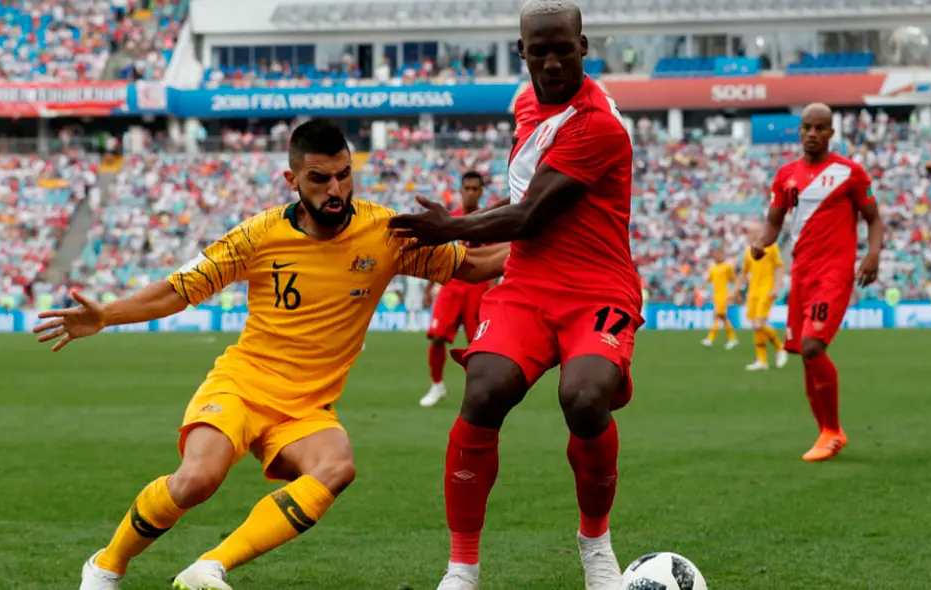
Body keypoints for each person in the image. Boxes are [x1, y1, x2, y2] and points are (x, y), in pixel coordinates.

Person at [34, 119, 509, 590]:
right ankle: (105, 566)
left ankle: (210, 566)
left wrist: (540, 239)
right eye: (320, 178)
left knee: (337, 467)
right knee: (197, 479)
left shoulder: (385, 233)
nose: (336, 189)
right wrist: (107, 314)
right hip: (242, 386)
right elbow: (179, 289)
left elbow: (471, 265)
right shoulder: (258, 235)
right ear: (292, 179)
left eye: (344, 174)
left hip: (307, 407)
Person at [389, 1, 638, 588]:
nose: (552, 63)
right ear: (521, 51)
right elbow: (525, 196)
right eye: (540, 51)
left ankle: (596, 544)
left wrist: (453, 227)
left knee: (584, 398)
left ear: (584, 47)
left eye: (564, 49)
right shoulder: (527, 104)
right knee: (483, 390)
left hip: (597, 287)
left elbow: (529, 214)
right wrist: (473, 231)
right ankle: (462, 568)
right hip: (528, 283)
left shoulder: (597, 125)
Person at [752, 102, 883, 462]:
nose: (812, 134)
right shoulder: (786, 175)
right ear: (800, 131)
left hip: (834, 274)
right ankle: (826, 431)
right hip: (802, 274)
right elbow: (774, 221)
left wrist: (873, 254)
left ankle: (833, 431)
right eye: (807, 127)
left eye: (819, 128)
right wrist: (762, 243)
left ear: (831, 133)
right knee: (805, 356)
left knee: (813, 345)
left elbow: (873, 218)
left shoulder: (849, 173)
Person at [420, 171, 490, 408]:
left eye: (475, 189)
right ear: (460, 190)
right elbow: (439, 255)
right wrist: (429, 289)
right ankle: (437, 385)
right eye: (467, 188)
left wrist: (492, 291)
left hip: (478, 286)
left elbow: (497, 258)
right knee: (437, 337)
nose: (470, 193)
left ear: (481, 192)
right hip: (451, 284)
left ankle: (478, 390)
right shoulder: (450, 219)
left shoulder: (488, 220)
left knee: (477, 344)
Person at [732, 222, 787, 370]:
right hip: (753, 292)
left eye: (754, 231)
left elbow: (780, 267)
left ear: (760, 232)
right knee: (756, 327)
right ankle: (762, 361)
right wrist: (735, 290)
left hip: (766, 291)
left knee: (759, 324)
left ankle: (780, 347)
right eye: (749, 232)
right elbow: (744, 272)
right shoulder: (748, 251)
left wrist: (776, 287)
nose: (751, 234)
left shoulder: (771, 247)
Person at [700, 248, 739, 350]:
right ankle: (732, 339)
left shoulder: (727, 267)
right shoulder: (712, 268)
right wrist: (702, 287)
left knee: (718, 316)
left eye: (718, 254)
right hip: (716, 296)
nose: (716, 256)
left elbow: (734, 280)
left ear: (721, 255)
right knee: (722, 317)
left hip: (723, 296)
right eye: (714, 254)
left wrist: (735, 293)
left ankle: (710, 339)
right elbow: (708, 279)